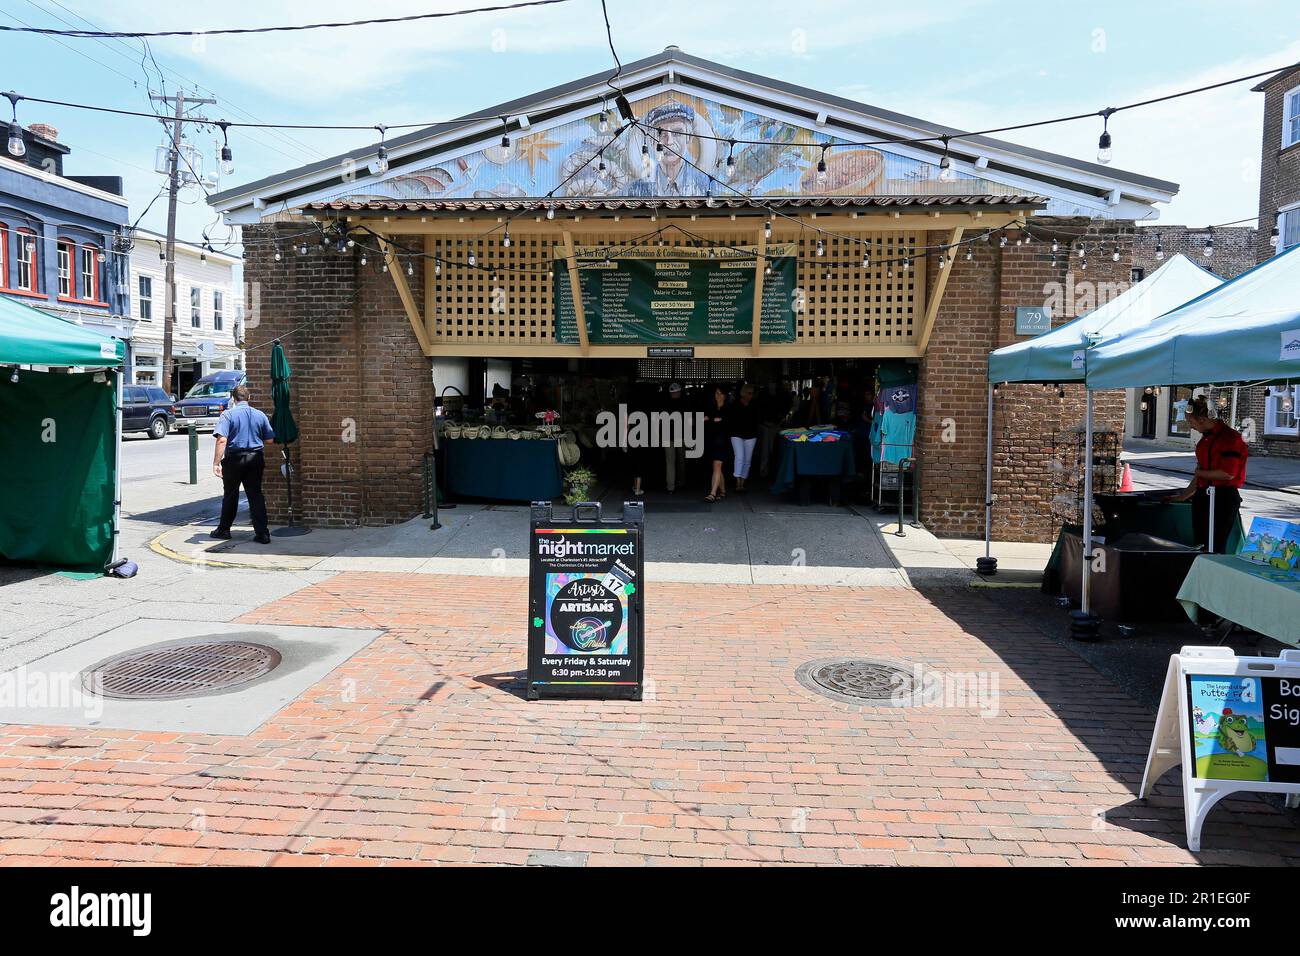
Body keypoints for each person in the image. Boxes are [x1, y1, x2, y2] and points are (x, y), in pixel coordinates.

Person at [1171, 396, 1248, 554]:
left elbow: (1228, 473)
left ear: (1202, 419)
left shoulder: (1230, 438)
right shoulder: (1205, 439)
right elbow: (1202, 474)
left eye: (1191, 421)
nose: (1190, 426)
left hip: (1223, 498)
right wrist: (1184, 495)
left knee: (1216, 546)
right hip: (1203, 496)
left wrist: (1200, 472)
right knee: (1200, 545)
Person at [211, 384, 277, 543]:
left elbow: (222, 440)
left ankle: (224, 530)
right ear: (249, 398)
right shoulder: (260, 415)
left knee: (230, 495)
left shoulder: (228, 415)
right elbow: (270, 439)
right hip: (255, 458)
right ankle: (263, 533)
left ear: (234, 399)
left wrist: (216, 463)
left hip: (234, 459)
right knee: (255, 495)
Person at [728, 384, 760, 494]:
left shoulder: (754, 405)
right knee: (740, 457)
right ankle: (738, 482)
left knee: (747, 460)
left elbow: (757, 420)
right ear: (744, 393)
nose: (750, 395)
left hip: (751, 435)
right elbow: (731, 419)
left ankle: (742, 482)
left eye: (752, 393)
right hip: (737, 434)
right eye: (749, 393)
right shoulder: (735, 404)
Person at [704, 384, 730, 502]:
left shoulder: (728, 409)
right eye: (716, 393)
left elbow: (726, 425)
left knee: (717, 466)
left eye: (720, 393)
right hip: (713, 441)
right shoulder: (712, 408)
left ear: (725, 395)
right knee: (717, 468)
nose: (718, 395)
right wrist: (714, 422)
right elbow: (705, 422)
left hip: (723, 442)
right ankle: (723, 491)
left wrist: (712, 421)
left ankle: (713, 493)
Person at [663, 382, 688, 493]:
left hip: (668, 436)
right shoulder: (685, 403)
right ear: (679, 392)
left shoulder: (665, 404)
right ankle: (681, 482)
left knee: (670, 462)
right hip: (681, 436)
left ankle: (670, 487)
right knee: (681, 461)